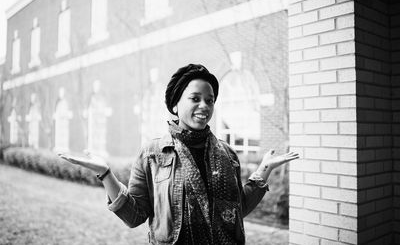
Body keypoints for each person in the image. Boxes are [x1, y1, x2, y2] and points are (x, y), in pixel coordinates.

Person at [60, 64, 298, 245]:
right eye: (195, 98)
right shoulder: (152, 153)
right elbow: (134, 216)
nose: (204, 106)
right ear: (175, 104)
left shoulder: (227, 154)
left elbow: (236, 210)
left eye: (210, 100)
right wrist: (105, 174)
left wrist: (264, 169)